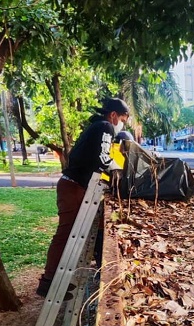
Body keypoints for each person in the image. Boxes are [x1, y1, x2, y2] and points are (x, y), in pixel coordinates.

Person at [36, 97, 131, 297]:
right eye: (123, 118)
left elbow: (93, 159)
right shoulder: (105, 126)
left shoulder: (96, 127)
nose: (123, 122)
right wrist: (118, 169)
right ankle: (48, 282)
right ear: (113, 115)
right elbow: (103, 158)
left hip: (74, 186)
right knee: (66, 233)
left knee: (73, 233)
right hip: (73, 187)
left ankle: (57, 280)